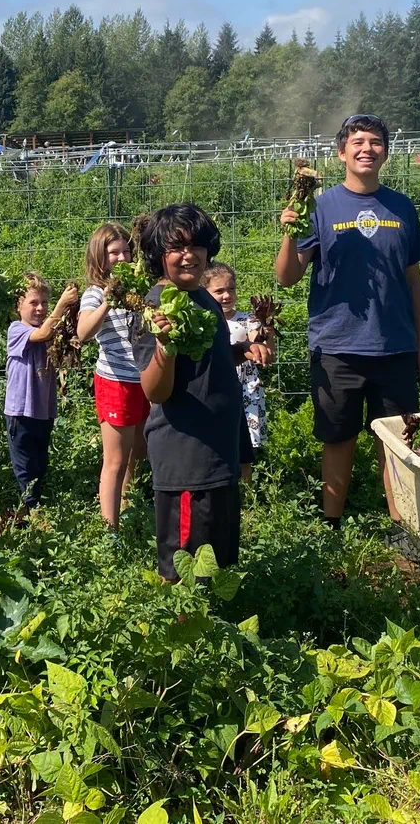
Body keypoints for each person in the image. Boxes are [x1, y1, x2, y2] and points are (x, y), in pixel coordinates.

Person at [273, 114, 420, 536]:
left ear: (386, 151)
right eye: (357, 141)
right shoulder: (320, 207)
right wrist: (290, 233)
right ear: (342, 152)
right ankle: (332, 525)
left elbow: (412, 279)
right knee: (338, 439)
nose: (367, 148)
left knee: (396, 442)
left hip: (395, 346)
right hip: (337, 347)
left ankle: (404, 527)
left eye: (376, 141)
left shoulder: (402, 207)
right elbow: (286, 277)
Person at [138, 204, 267, 581]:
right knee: (183, 569)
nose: (188, 254)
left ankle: (213, 633)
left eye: (195, 245)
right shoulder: (157, 306)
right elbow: (155, 390)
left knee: (217, 561)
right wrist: (164, 345)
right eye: (175, 247)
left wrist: (241, 350)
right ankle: (179, 634)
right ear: (159, 253)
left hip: (218, 448)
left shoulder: (200, 297)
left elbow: (204, 358)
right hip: (187, 458)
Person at [77, 222, 154, 532]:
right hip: (116, 382)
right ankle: (109, 530)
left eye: (126, 251)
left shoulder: (140, 288)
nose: (122, 258)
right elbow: (82, 332)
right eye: (114, 253)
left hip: (146, 380)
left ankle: (128, 506)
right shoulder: (95, 293)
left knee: (139, 451)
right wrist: (110, 298)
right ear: (99, 257)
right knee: (115, 460)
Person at [4, 274, 80, 517]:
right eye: (33, 303)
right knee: (24, 465)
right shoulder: (17, 330)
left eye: (44, 303)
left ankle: (36, 508)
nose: (40, 308)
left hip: (43, 410)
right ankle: (29, 511)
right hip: (20, 411)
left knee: (39, 462)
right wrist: (62, 304)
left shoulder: (51, 330)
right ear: (19, 305)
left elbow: (57, 331)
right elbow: (43, 333)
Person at [201, 262, 275, 483]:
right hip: (217, 388)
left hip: (245, 387)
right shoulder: (205, 321)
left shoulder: (247, 320)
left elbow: (261, 350)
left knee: (244, 450)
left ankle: (247, 495)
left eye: (230, 289)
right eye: (219, 291)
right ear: (205, 292)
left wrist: (265, 334)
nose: (226, 295)